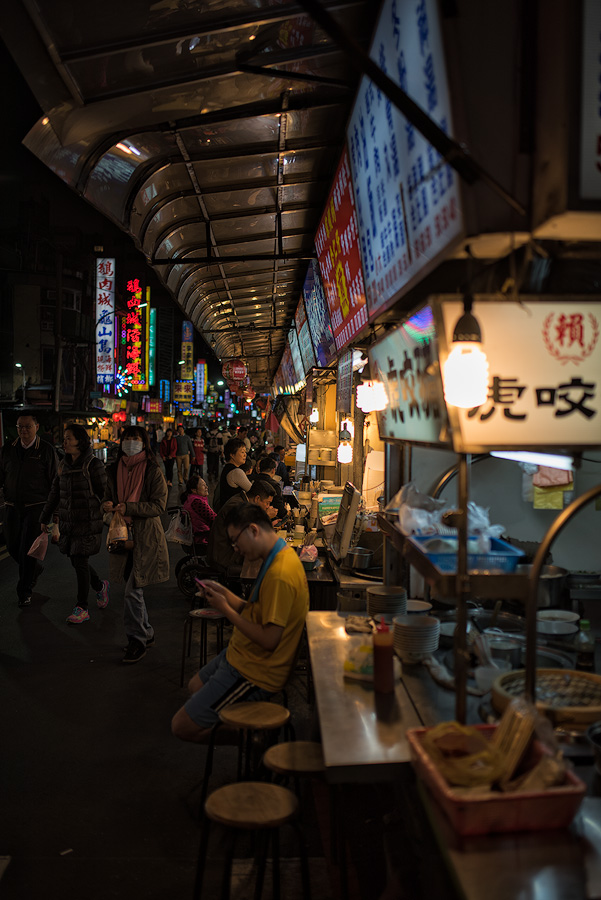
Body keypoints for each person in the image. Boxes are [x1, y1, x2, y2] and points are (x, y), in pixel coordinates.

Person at [172, 502, 309, 741]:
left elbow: (269, 639)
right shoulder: (276, 554)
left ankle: (257, 736)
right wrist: (226, 595)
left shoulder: (280, 573)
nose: (235, 549)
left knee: (181, 726)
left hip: (257, 671)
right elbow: (255, 610)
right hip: (241, 654)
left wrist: (225, 609)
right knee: (195, 685)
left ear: (253, 530)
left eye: (236, 541)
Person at [103, 426, 169, 664]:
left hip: (145, 537)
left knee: (133, 590)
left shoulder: (152, 469)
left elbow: (158, 506)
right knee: (134, 588)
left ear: (144, 443)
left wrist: (129, 508)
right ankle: (147, 632)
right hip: (121, 535)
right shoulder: (113, 469)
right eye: (127, 438)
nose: (131, 442)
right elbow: (105, 498)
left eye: (136, 439)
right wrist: (108, 506)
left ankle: (136, 640)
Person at [40, 423, 109, 624]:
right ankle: (100, 586)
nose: (65, 441)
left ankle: (82, 607)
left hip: (88, 522)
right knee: (75, 559)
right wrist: (44, 518)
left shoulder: (93, 464)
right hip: (69, 522)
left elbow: (105, 494)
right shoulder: (63, 465)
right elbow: (55, 493)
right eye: (65, 438)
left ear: (80, 440)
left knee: (80, 561)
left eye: (69, 438)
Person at [0, 414, 58, 607]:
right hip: (11, 507)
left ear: (37, 426)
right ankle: (33, 571)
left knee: (28, 550)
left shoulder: (46, 450)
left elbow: (54, 483)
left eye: (28, 426)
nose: (24, 430)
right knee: (12, 546)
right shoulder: (8, 449)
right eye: (20, 427)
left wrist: (55, 514)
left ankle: (24, 592)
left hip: (36, 508)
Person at [207, 479, 276, 576]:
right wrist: (265, 517)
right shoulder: (235, 505)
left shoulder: (243, 501)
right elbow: (247, 533)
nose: (268, 507)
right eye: (267, 503)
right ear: (257, 498)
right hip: (224, 555)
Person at [213, 438, 252, 513]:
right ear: (232, 455)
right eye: (242, 452)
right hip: (234, 515)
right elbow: (252, 490)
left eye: (245, 452)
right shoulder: (236, 472)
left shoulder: (227, 468)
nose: (245, 455)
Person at [180, 474, 216, 555]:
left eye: (205, 484)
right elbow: (213, 518)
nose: (206, 487)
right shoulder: (197, 502)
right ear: (194, 490)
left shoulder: (191, 499)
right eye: (203, 485)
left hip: (198, 536)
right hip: (202, 538)